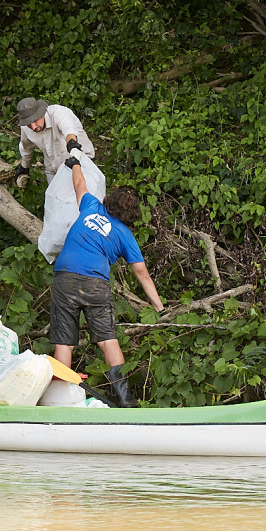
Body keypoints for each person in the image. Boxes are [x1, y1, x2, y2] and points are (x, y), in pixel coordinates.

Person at [48, 150, 164, 408]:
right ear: (133, 214)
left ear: (109, 200)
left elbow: (80, 184)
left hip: (65, 278)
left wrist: (75, 164)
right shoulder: (125, 236)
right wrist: (158, 306)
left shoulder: (91, 206)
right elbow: (141, 273)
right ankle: (125, 399)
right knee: (106, 338)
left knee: (64, 340)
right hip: (95, 284)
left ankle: (61, 401)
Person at [14, 97, 95, 187]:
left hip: (80, 163)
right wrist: (24, 167)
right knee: (54, 199)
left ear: (41, 113)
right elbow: (26, 147)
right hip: (53, 169)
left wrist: (73, 147)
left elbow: (69, 131)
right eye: (29, 123)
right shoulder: (26, 127)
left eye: (35, 120)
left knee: (83, 197)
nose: (33, 127)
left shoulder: (59, 113)